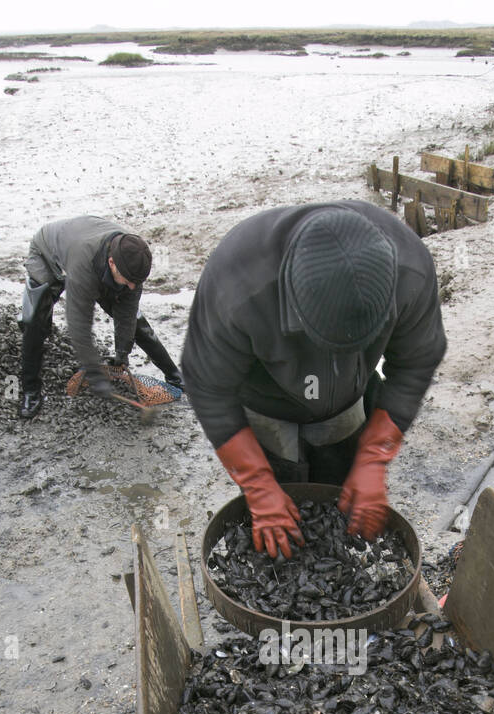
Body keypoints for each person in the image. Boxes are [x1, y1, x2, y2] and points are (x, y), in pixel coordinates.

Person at [181, 201, 446, 557]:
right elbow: (207, 386)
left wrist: (374, 458)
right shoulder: (237, 285)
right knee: (276, 497)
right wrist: (258, 485)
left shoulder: (411, 270)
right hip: (265, 400)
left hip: (348, 398)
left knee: (341, 494)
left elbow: (416, 362)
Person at [18, 215, 183, 419]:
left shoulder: (132, 261)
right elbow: (79, 325)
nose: (132, 287)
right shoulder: (84, 267)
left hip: (94, 260)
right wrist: (95, 373)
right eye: (129, 281)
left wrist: (122, 352)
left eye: (136, 283)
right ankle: (30, 390)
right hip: (47, 253)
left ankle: (175, 375)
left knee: (136, 323)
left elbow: (127, 314)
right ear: (112, 263)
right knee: (35, 322)